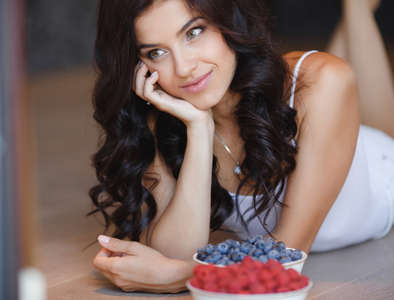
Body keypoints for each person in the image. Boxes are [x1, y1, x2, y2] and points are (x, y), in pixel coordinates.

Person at [90, 0, 394, 293]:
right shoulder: (167, 119)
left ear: (228, 20)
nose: (183, 68)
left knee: (334, 79)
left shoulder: (322, 83)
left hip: (381, 169)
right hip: (314, 119)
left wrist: (185, 276)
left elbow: (286, 258)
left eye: (194, 32)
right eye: (156, 52)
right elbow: (174, 252)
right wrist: (199, 127)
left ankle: (356, 7)